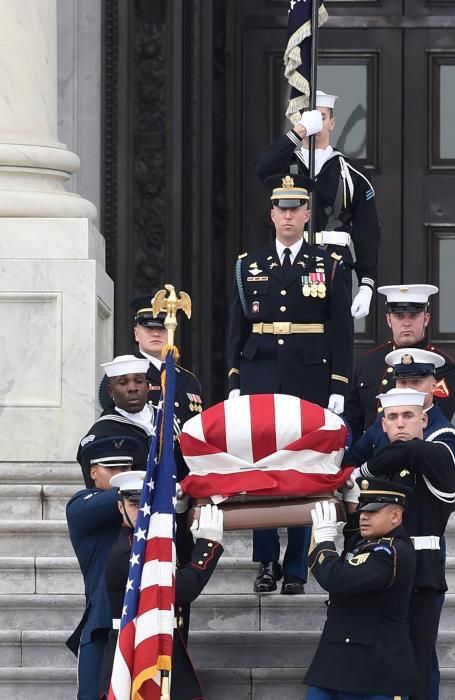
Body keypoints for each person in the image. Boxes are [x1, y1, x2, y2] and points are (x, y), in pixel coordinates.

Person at [227, 173, 353, 595]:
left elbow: (340, 331)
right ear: (271, 215)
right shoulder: (250, 264)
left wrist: (337, 384)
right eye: (281, 209)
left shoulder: (328, 265)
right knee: (261, 467)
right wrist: (234, 380)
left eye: (295, 208)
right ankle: (266, 561)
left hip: (309, 373)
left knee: (301, 467)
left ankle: (297, 565)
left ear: (307, 214)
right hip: (260, 371)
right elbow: (237, 328)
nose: (288, 215)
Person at [357, 388, 455, 700]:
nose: (401, 423)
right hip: (379, 571)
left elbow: (422, 453)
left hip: (421, 573)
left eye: (408, 416)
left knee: (418, 659)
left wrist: (368, 467)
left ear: (424, 420)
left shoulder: (438, 457)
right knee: (382, 657)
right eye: (392, 417)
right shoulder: (383, 465)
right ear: (383, 425)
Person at [255, 90, 380, 319]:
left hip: (335, 264)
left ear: (332, 123)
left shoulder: (352, 175)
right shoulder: (286, 167)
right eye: (310, 118)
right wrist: (299, 130)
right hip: (290, 263)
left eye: (322, 117)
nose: (316, 124)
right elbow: (262, 168)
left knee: (334, 337)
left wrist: (366, 285)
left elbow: (367, 234)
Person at [99, 473, 223, 699]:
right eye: (134, 504)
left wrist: (182, 516)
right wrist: (208, 547)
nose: (143, 510)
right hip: (136, 651)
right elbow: (181, 589)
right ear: (120, 507)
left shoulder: (149, 543)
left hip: (161, 644)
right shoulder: (128, 555)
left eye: (149, 503)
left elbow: (178, 562)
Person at [304, 481, 417, 700]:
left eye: (373, 511)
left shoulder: (390, 552)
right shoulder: (365, 544)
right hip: (335, 662)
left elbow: (336, 578)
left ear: (395, 516)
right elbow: (351, 532)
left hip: (373, 670)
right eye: (363, 510)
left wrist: (325, 543)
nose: (364, 516)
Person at [65, 436, 140, 700]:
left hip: (143, 619)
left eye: (126, 469)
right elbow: (116, 500)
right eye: (113, 469)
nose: (121, 475)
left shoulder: (145, 502)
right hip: (102, 625)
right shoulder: (81, 505)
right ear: (93, 472)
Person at [344, 284, 455, 442]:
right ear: (388, 319)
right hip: (370, 455)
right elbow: (353, 422)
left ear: (426, 319)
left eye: (414, 316)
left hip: (417, 456)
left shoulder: (443, 366)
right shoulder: (367, 362)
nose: (406, 323)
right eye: (399, 316)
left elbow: (434, 422)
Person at [345, 348, 455, 470]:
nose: (408, 389)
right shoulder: (383, 420)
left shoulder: (444, 433)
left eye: (416, 382)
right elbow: (353, 460)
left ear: (434, 385)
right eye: (402, 382)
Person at [98, 295, 204, 429]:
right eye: (149, 328)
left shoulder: (189, 380)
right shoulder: (123, 371)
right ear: (136, 333)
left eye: (162, 328)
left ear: (172, 331)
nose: (155, 334)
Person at [77, 355, 154, 488]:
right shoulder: (101, 433)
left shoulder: (167, 420)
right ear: (111, 391)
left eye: (138, 381)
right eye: (123, 383)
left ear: (147, 386)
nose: (132, 388)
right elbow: (97, 491)